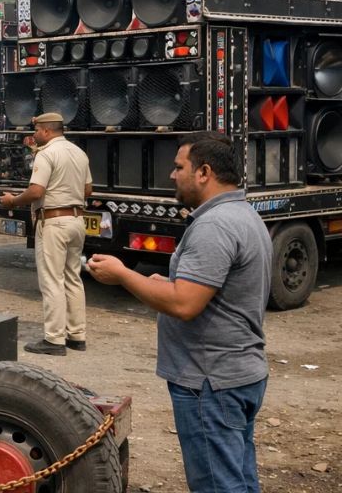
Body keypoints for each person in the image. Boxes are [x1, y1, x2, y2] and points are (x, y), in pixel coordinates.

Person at [89, 133, 271, 493]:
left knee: (219, 486)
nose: (172, 175)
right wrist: (166, 281)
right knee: (239, 480)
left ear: (204, 172)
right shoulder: (242, 214)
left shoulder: (214, 226)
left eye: (178, 167)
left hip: (210, 382)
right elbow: (206, 289)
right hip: (236, 375)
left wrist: (124, 275)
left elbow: (184, 304)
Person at [0, 112, 91, 356]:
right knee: (73, 277)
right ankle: (77, 335)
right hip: (76, 219)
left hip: (53, 221)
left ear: (48, 131)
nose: (34, 134)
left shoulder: (47, 153)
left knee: (52, 280)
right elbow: (88, 189)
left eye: (37, 130)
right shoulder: (79, 153)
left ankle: (54, 339)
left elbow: (36, 191)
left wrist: (12, 201)